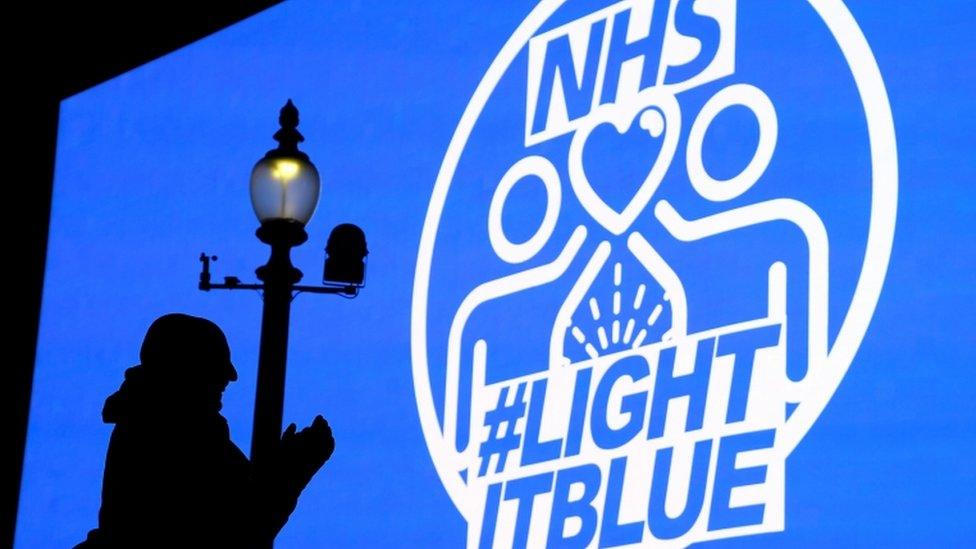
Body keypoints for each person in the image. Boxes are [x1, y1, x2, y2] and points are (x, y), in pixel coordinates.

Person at [75, 313, 334, 548]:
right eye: (216, 362)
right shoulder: (181, 434)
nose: (231, 376)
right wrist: (292, 468)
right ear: (185, 367)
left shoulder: (156, 422)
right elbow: (241, 529)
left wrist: (285, 467)